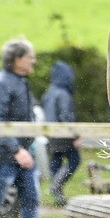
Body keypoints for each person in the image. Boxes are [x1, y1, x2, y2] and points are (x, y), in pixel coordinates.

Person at [0, 38, 40, 218]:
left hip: (24, 153)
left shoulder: (20, 82)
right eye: (30, 57)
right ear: (17, 59)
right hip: (6, 155)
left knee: (31, 199)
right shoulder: (3, 83)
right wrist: (16, 150)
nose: (33, 61)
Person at [42, 60, 80, 208]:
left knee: (55, 164)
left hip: (51, 137)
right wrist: (75, 136)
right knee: (74, 160)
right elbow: (66, 116)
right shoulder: (63, 94)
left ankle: (57, 194)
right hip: (64, 137)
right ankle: (56, 186)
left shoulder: (49, 93)